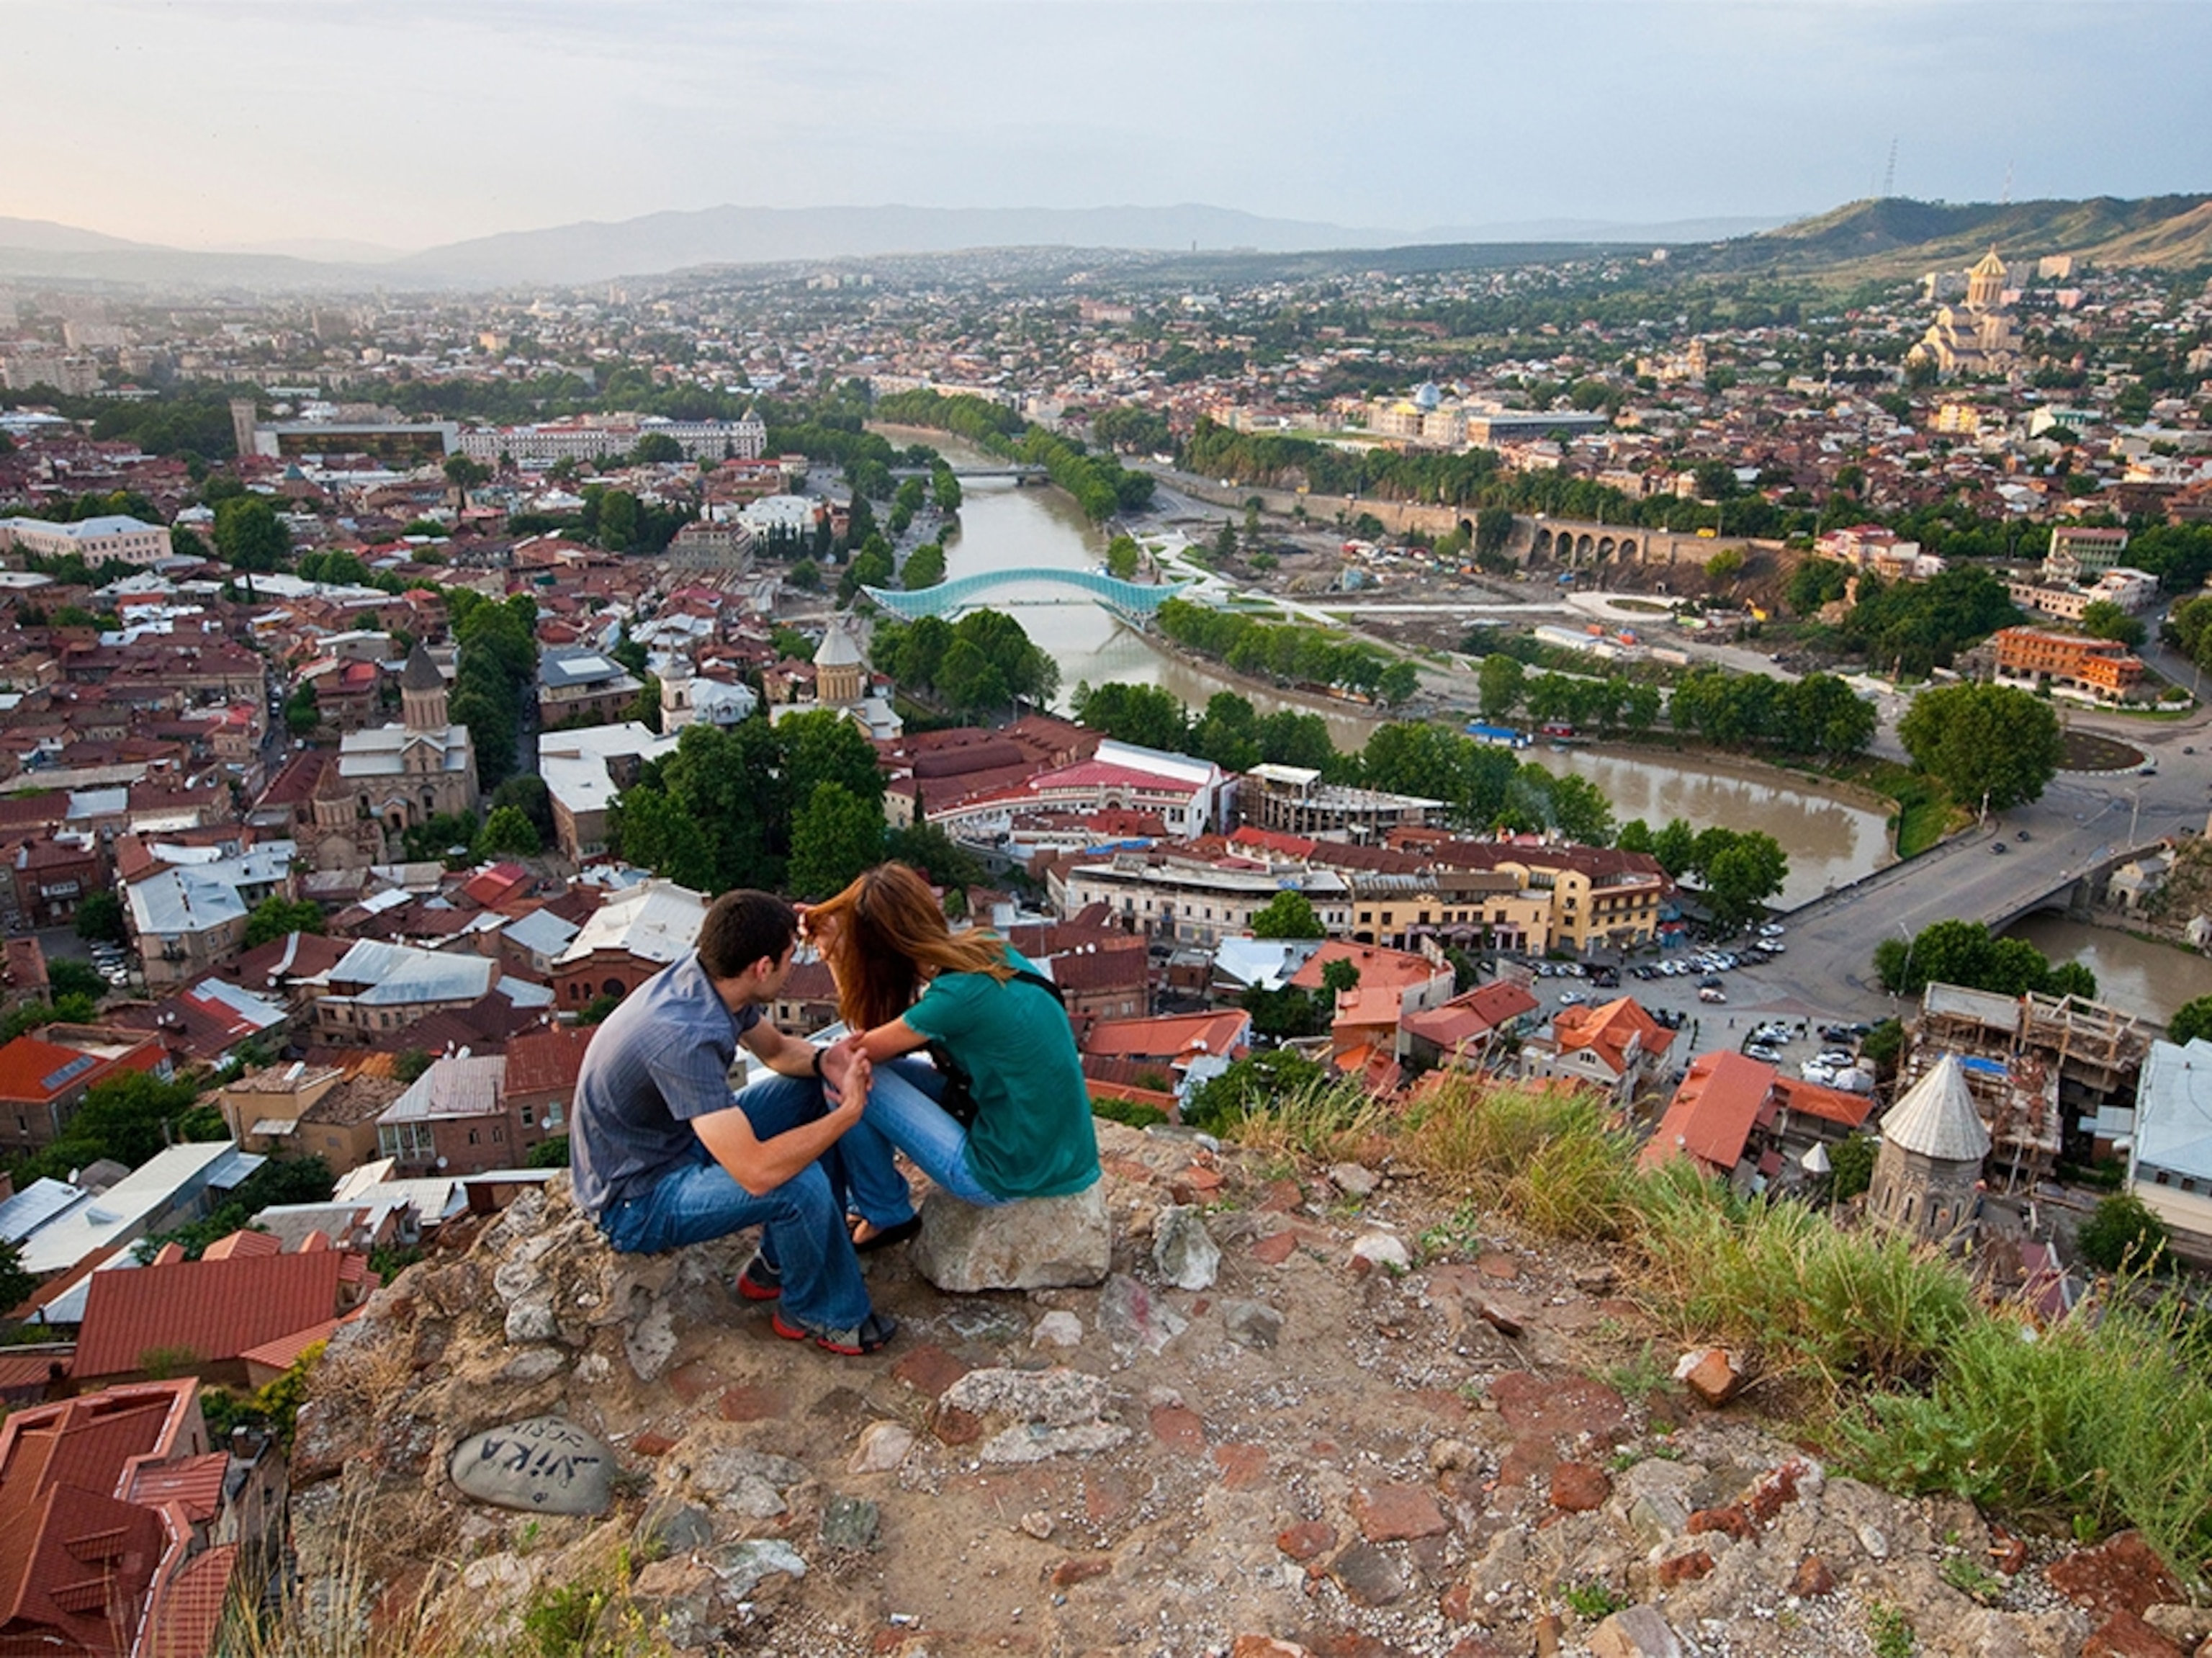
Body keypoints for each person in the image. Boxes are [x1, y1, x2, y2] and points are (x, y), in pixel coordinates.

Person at [569, 888, 899, 1355]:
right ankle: (820, 1312)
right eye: (789, 959)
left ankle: (779, 1265)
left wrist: (831, 1061)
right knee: (797, 1185)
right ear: (762, 968)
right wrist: (847, 1114)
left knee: (811, 1091)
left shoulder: (710, 979)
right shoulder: (683, 1037)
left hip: (673, 1144)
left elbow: (779, 1052)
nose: (792, 969)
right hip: (635, 1201)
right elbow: (758, 1173)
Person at [803, 862, 1100, 1237]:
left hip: (1006, 1173)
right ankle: (876, 1204)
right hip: (1058, 1152)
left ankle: (884, 1211)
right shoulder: (988, 950)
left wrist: (833, 954)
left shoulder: (952, 999)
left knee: (846, 1078)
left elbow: (852, 1053)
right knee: (867, 1070)